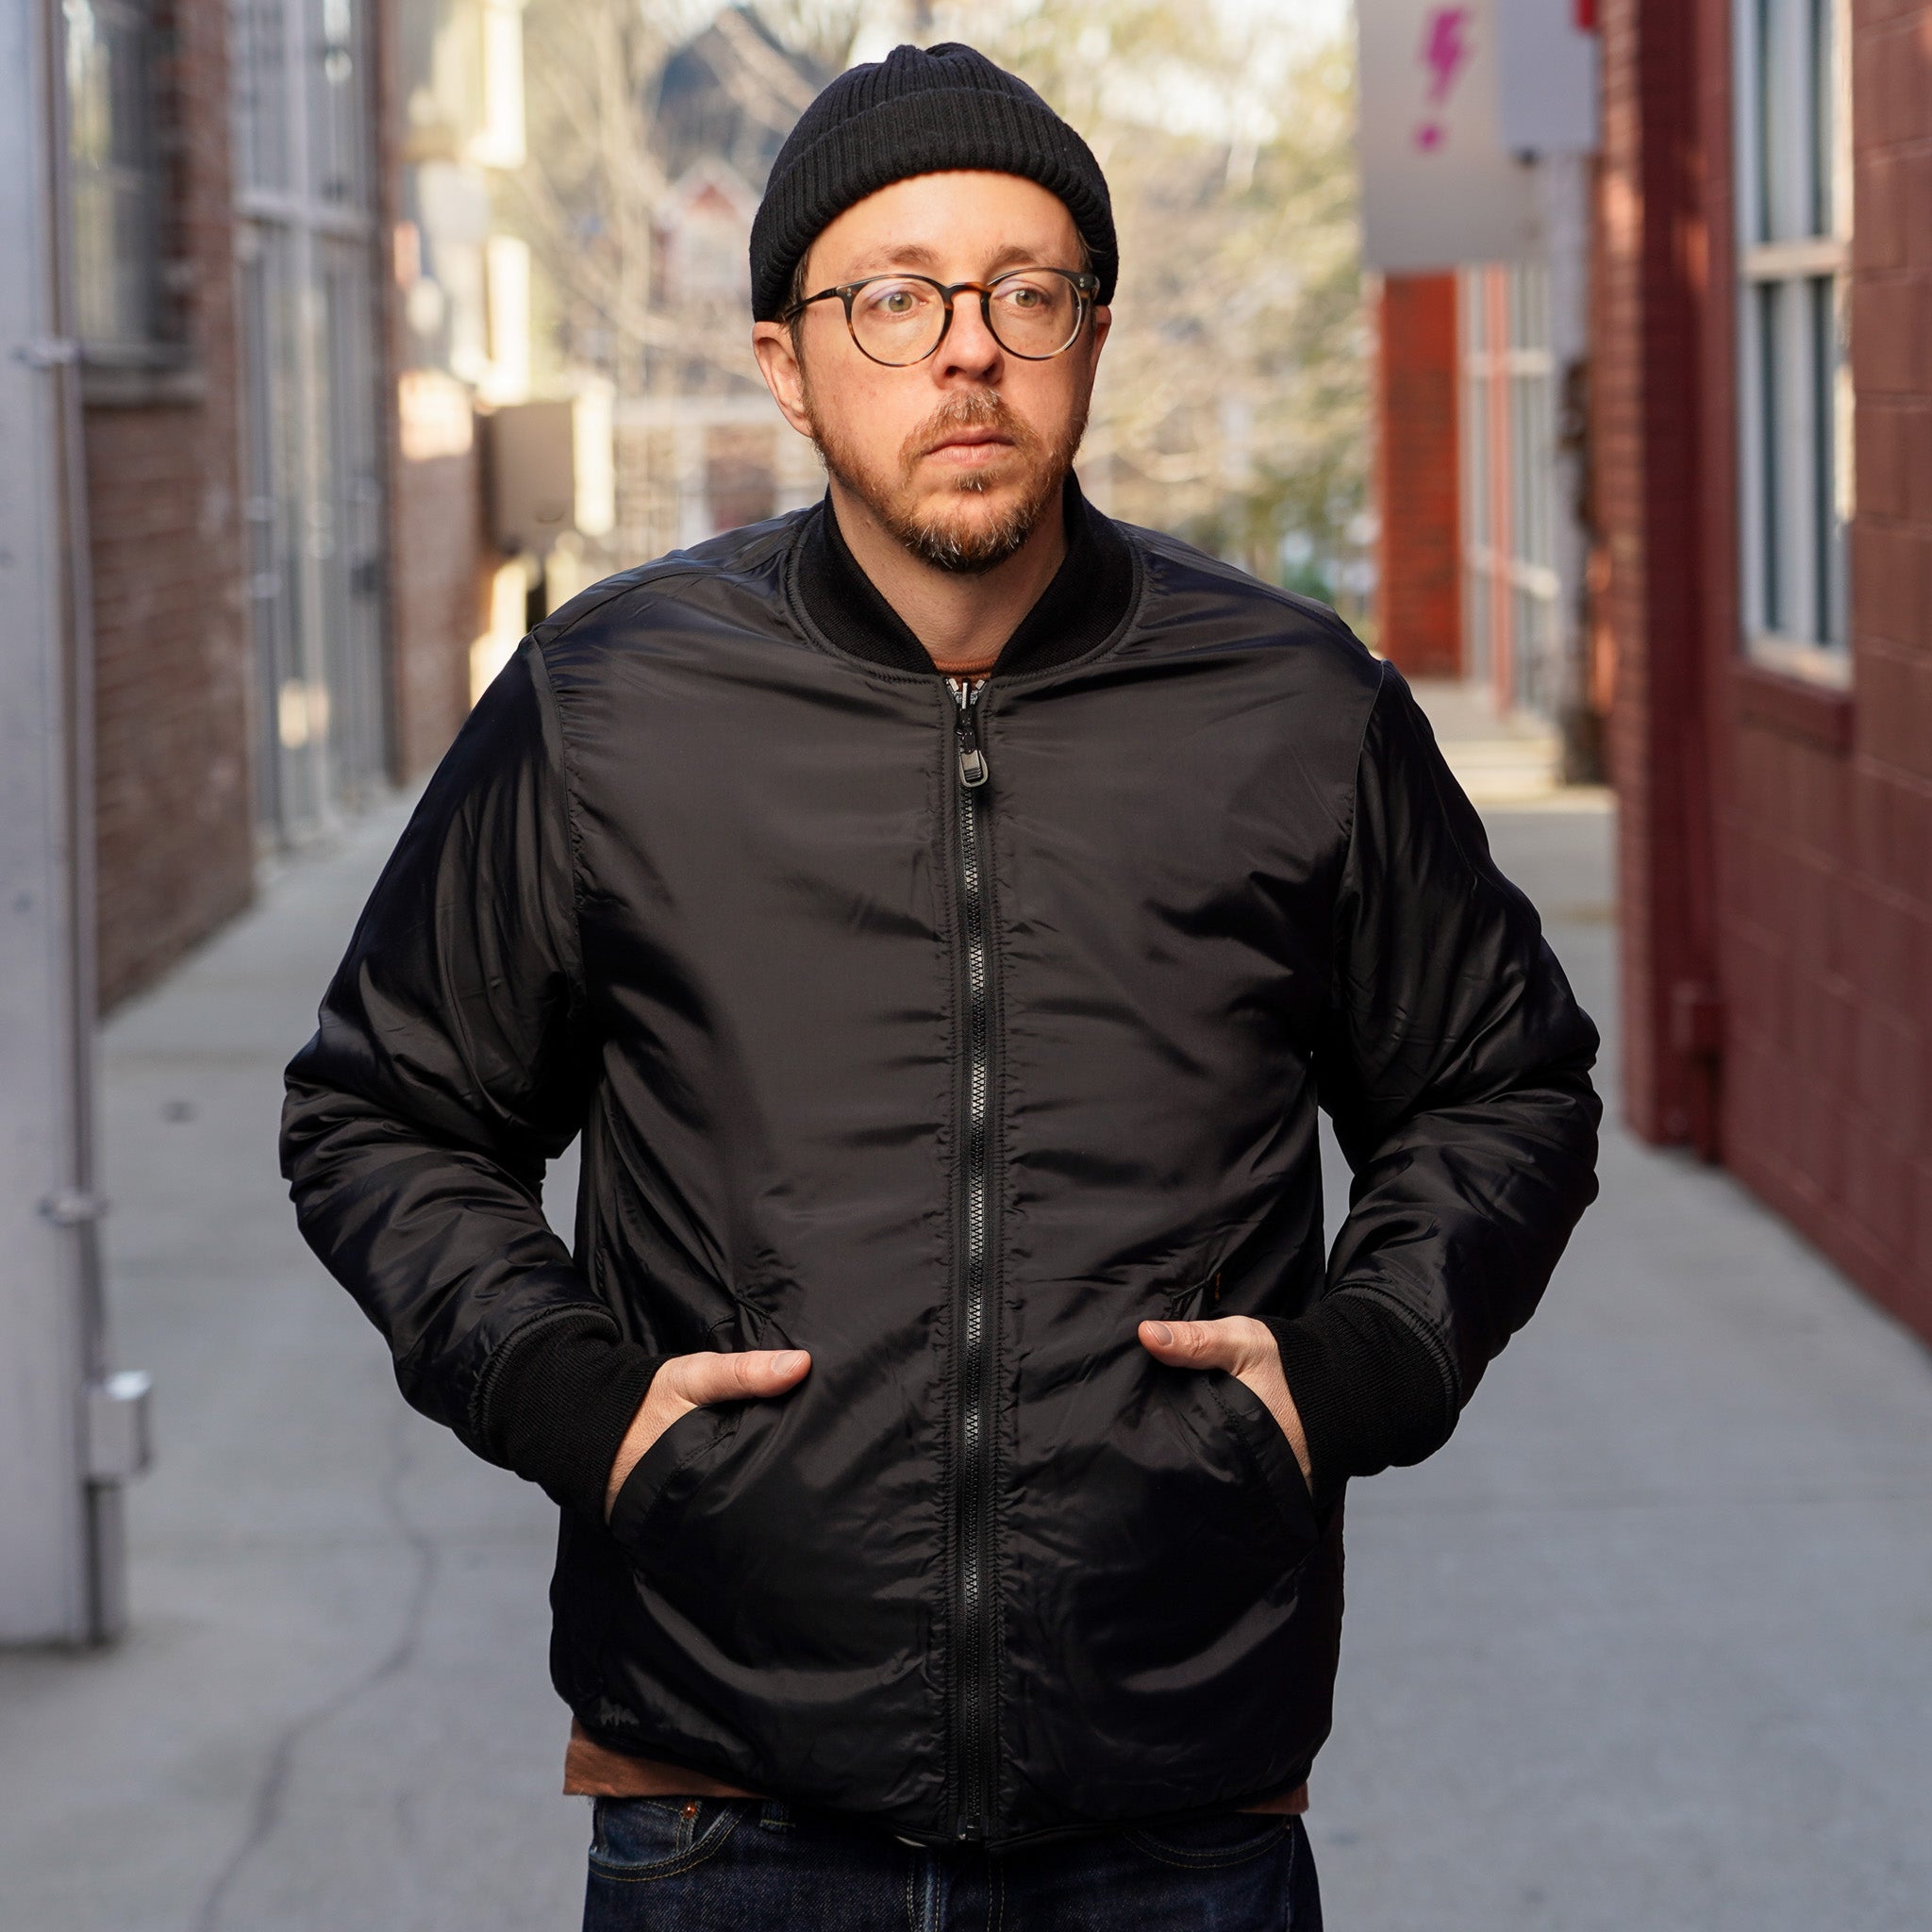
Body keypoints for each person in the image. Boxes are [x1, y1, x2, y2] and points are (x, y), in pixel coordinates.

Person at [281, 42, 1600, 1931]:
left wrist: (1356, 1369)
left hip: (1177, 1808)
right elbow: (384, 1111)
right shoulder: (610, 708)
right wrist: (574, 1398)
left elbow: (1502, 1082)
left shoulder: (1292, 710)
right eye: (892, 299)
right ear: (785, 362)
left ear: (1091, 337)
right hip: (727, 1807)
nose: (964, 351)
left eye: (1023, 293)